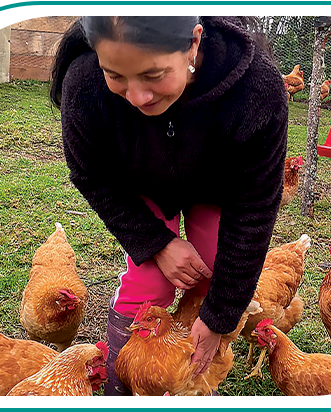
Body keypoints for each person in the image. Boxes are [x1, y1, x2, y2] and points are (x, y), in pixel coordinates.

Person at [50, 16, 288, 395]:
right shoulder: (84, 83)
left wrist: (219, 318)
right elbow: (91, 175)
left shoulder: (256, 88)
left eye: (154, 74)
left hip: (216, 188)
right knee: (148, 283)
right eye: (116, 75)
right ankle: (119, 380)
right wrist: (157, 243)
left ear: (194, 43)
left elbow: (254, 206)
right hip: (140, 185)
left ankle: (196, 376)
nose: (137, 96)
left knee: (213, 271)